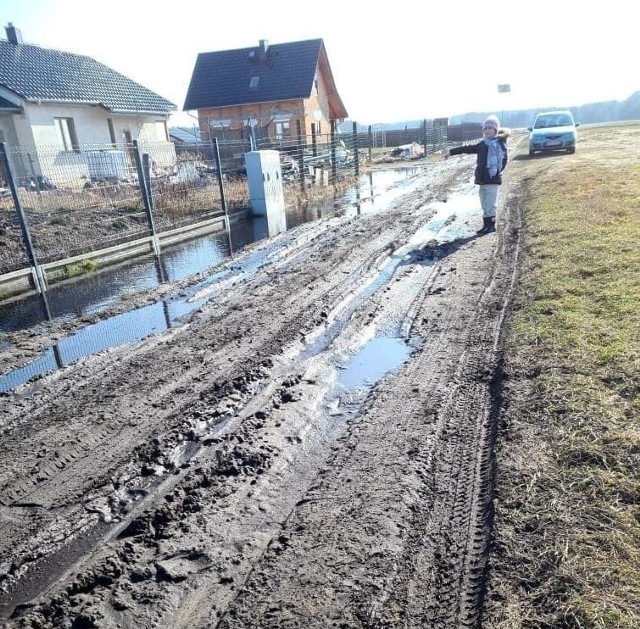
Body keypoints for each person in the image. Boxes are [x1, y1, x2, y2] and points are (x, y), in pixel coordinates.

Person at [442, 114, 510, 234]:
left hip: (492, 180)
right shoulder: (482, 144)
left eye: (490, 128)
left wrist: (496, 172)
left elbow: (504, 160)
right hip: (482, 180)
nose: (488, 130)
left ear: (495, 130)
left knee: (490, 204)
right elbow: (466, 149)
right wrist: (450, 152)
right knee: (484, 203)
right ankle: (485, 225)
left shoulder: (499, 144)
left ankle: (491, 225)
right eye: (486, 128)